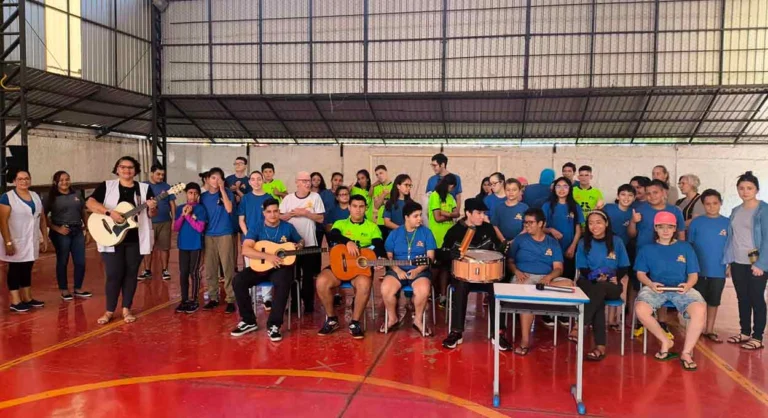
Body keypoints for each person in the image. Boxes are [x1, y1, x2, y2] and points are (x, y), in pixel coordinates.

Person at [87, 156, 157, 324]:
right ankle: (109, 310)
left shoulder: (144, 189)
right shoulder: (107, 186)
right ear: (117, 169)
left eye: (130, 167)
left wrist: (152, 208)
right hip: (111, 237)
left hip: (135, 238)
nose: (127, 170)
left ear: (136, 170)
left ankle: (126, 309)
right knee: (113, 274)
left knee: (131, 274)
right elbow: (90, 203)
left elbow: (151, 214)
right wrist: (109, 213)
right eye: (123, 167)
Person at [634, 211, 706, 371]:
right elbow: (640, 274)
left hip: (681, 288)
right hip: (656, 287)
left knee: (700, 310)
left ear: (675, 228)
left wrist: (688, 285)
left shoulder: (685, 247)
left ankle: (686, 352)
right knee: (641, 309)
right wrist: (651, 284)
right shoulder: (647, 249)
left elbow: (693, 275)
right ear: (655, 228)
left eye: (670, 227)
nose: (665, 230)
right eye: (661, 227)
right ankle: (665, 341)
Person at [441, 198, 511, 350]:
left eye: (484, 213)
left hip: (487, 275)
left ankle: (498, 333)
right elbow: (442, 254)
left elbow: (495, 252)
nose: (482, 217)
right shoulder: (454, 231)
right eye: (479, 213)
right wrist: (450, 254)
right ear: (468, 213)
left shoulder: (488, 229)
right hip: (464, 274)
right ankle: (456, 332)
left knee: (498, 288)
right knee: (460, 286)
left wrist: (502, 250)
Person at [230, 198, 304, 341]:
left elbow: (300, 240)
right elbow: (245, 250)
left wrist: (300, 245)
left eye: (275, 211)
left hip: (281, 268)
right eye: (269, 212)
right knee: (238, 280)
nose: (273, 214)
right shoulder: (256, 227)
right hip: (261, 266)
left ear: (279, 212)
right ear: (264, 213)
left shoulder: (288, 227)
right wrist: (268, 256)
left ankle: (274, 325)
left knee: (283, 282)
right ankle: (249, 321)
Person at [316, 194, 386, 339]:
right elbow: (333, 235)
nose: (358, 210)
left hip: (360, 270)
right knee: (321, 281)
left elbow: (378, 245)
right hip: (339, 266)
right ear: (349, 207)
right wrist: (347, 242)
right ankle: (332, 319)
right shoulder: (340, 223)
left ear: (366, 208)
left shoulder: (372, 227)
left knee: (364, 285)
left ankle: (355, 322)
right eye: (354, 206)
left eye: (361, 206)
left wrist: (380, 258)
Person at [507, 208, 573, 355]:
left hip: (546, 278)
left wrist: (548, 277)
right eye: (525, 222)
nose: (526, 225)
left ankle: (540, 287)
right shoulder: (520, 240)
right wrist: (516, 271)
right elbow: (510, 261)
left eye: (530, 222)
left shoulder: (552, 242)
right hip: (524, 277)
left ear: (541, 223)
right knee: (526, 297)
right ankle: (525, 341)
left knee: (570, 284)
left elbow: (558, 268)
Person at [628, 179, 685, 338]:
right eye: (648, 193)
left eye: (655, 192)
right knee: (639, 288)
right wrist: (633, 222)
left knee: (662, 287)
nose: (652, 196)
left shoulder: (675, 211)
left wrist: (679, 253)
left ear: (664, 193)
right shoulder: (640, 209)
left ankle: (662, 322)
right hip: (644, 256)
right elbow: (631, 234)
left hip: (666, 256)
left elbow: (681, 235)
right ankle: (639, 321)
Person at [571, 210, 630, 361]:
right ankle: (600, 347)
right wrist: (595, 277)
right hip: (588, 282)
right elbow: (582, 268)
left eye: (598, 222)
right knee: (597, 296)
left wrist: (615, 277)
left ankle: (579, 325)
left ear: (606, 223)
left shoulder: (616, 241)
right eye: (591, 223)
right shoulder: (584, 242)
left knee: (600, 290)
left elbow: (624, 266)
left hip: (611, 284)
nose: (594, 226)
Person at [723, 171, 767, 350]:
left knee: (757, 298)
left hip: (757, 264)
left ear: (756, 189)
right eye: (741, 188)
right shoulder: (736, 210)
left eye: (749, 188)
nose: (745, 191)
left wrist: (761, 264)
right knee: (742, 297)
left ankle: (757, 336)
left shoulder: (764, 210)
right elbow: (732, 237)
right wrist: (729, 261)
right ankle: (745, 332)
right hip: (737, 261)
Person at [381, 201, 436, 336]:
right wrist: (397, 270)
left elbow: (430, 257)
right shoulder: (395, 233)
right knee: (385, 289)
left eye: (420, 215)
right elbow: (389, 257)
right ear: (406, 217)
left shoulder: (427, 233)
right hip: (397, 270)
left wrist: (417, 270)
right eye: (415, 216)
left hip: (419, 271)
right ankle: (392, 318)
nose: (420, 219)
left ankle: (418, 320)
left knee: (423, 290)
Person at [1, 170, 47, 312]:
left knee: (27, 267)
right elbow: (2, 221)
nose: (24, 181)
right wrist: (8, 242)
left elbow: (42, 218)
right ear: (14, 181)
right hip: (15, 239)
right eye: (20, 179)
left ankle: (27, 297)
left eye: (26, 178)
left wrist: (44, 238)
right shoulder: (7, 197)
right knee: (15, 268)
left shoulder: (35, 196)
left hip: (31, 239)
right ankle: (15, 301)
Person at [280, 171, 325, 313]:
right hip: (291, 245)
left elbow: (321, 219)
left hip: (310, 243)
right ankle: (294, 304)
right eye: (304, 181)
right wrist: (292, 214)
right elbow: (279, 218)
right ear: (297, 182)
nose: (307, 183)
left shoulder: (315, 197)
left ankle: (309, 305)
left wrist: (306, 214)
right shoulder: (288, 199)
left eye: (309, 181)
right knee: (293, 275)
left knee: (308, 276)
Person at [688, 189, 729, 343]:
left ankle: (709, 329)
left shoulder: (727, 223)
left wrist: (730, 265)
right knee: (697, 301)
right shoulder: (696, 222)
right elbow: (689, 246)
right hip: (698, 270)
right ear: (703, 205)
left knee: (714, 301)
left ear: (721, 203)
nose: (711, 207)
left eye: (715, 203)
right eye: (708, 204)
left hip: (718, 270)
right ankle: (696, 328)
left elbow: (731, 246)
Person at [44, 170, 91, 301]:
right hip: (61, 232)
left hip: (77, 231)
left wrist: (88, 230)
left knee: (80, 261)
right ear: (56, 182)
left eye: (67, 179)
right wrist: (56, 228)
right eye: (61, 180)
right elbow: (42, 216)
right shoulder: (50, 197)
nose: (65, 182)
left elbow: (83, 212)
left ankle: (78, 288)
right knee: (62, 261)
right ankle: (64, 289)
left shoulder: (77, 194)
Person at [199, 167, 236, 313]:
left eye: (219, 178)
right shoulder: (203, 197)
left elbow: (229, 209)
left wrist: (222, 190)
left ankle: (231, 299)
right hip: (209, 235)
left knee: (227, 267)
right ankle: (213, 297)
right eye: (213, 178)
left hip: (225, 234)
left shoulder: (227, 193)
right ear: (207, 180)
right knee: (210, 268)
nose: (216, 181)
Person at [238, 171, 272, 310]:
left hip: (266, 239)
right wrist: (249, 236)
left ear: (263, 180)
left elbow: (272, 219)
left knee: (267, 266)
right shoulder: (245, 199)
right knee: (250, 268)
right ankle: (249, 297)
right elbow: (241, 220)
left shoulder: (269, 197)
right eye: (253, 179)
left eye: (259, 179)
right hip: (250, 240)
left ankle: (267, 298)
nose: (256, 182)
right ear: (249, 182)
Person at [173, 183, 207, 313]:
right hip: (183, 245)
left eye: (195, 193)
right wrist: (183, 215)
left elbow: (200, 228)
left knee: (194, 272)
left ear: (198, 195)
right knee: (183, 273)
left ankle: (194, 300)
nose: (192, 196)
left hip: (195, 245)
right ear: (186, 194)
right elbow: (176, 227)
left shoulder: (201, 209)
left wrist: (188, 216)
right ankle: (184, 300)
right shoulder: (180, 208)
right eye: (190, 193)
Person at [542, 177, 584, 281]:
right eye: (558, 186)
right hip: (549, 248)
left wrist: (573, 246)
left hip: (568, 248)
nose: (561, 189)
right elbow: (540, 228)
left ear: (570, 189)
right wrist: (551, 230)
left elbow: (578, 230)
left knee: (566, 278)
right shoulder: (547, 206)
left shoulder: (575, 207)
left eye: (565, 186)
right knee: (550, 278)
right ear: (554, 189)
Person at [140, 164, 176, 280]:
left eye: (162, 175)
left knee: (164, 247)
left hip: (165, 221)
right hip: (147, 222)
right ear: (151, 173)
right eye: (158, 174)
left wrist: (174, 220)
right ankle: (147, 270)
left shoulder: (167, 187)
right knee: (147, 247)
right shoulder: (143, 186)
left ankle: (165, 270)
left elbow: (172, 204)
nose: (161, 177)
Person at [428, 174, 459, 308]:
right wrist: (450, 215)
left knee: (445, 267)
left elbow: (457, 213)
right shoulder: (435, 196)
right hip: (436, 237)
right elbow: (437, 218)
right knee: (435, 267)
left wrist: (445, 213)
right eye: (452, 187)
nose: (452, 190)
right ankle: (429, 291)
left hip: (448, 238)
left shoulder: (451, 197)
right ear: (449, 185)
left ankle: (443, 296)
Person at [226, 156, 252, 272]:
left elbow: (249, 199)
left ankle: (246, 268)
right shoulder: (228, 179)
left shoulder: (249, 180)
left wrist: (238, 191)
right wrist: (233, 198)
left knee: (244, 242)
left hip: (244, 215)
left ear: (245, 166)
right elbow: (224, 196)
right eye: (235, 163)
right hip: (231, 215)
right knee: (231, 245)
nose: (237, 165)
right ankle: (233, 268)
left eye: (240, 163)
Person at [491, 178, 528, 243]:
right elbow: (494, 225)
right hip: (502, 243)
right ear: (504, 191)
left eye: (514, 190)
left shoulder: (524, 208)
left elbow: (526, 228)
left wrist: (513, 241)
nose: (511, 192)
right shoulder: (499, 207)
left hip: (520, 242)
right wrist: (503, 240)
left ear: (519, 191)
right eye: (508, 190)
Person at [312, 172, 336, 247]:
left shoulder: (325, 192)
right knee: (316, 247)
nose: (316, 181)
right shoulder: (307, 193)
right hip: (314, 224)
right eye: (314, 179)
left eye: (318, 180)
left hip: (327, 222)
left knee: (332, 245)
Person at [372, 165, 393, 240]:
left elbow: (395, 203)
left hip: (392, 221)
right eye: (377, 175)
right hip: (380, 221)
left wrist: (381, 200)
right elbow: (376, 206)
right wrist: (383, 194)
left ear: (386, 172)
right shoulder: (376, 188)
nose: (379, 176)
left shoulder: (394, 186)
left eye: (381, 173)